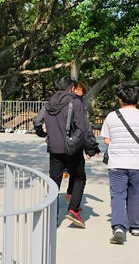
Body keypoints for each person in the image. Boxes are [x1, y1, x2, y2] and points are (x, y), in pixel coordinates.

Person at [34, 76, 100, 228]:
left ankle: (52, 215)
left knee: (54, 180)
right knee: (79, 177)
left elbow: (37, 121)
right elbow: (83, 128)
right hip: (72, 148)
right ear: (71, 88)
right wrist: (91, 148)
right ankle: (73, 210)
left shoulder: (50, 102)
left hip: (54, 148)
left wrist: (43, 134)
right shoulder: (76, 102)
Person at [100, 82, 139, 245]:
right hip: (137, 162)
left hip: (117, 162)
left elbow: (107, 139)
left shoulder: (111, 116)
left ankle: (118, 227)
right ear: (137, 99)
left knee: (117, 194)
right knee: (136, 194)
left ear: (120, 99)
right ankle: (136, 226)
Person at [65, 81, 88, 201]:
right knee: (78, 173)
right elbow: (84, 126)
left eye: (80, 90)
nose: (77, 91)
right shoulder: (73, 102)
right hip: (73, 138)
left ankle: (70, 193)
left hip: (73, 138)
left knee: (74, 170)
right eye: (76, 89)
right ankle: (73, 203)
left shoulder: (82, 102)